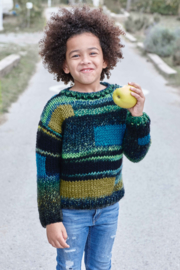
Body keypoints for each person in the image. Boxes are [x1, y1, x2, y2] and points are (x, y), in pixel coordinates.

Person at [35, 5, 151, 270]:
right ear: (64, 64)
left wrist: (137, 117)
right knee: (69, 266)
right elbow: (46, 169)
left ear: (106, 59)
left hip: (109, 209)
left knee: (101, 265)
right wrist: (51, 219)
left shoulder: (118, 102)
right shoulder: (58, 108)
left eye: (93, 53)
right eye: (75, 55)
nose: (85, 60)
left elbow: (136, 153)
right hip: (71, 213)